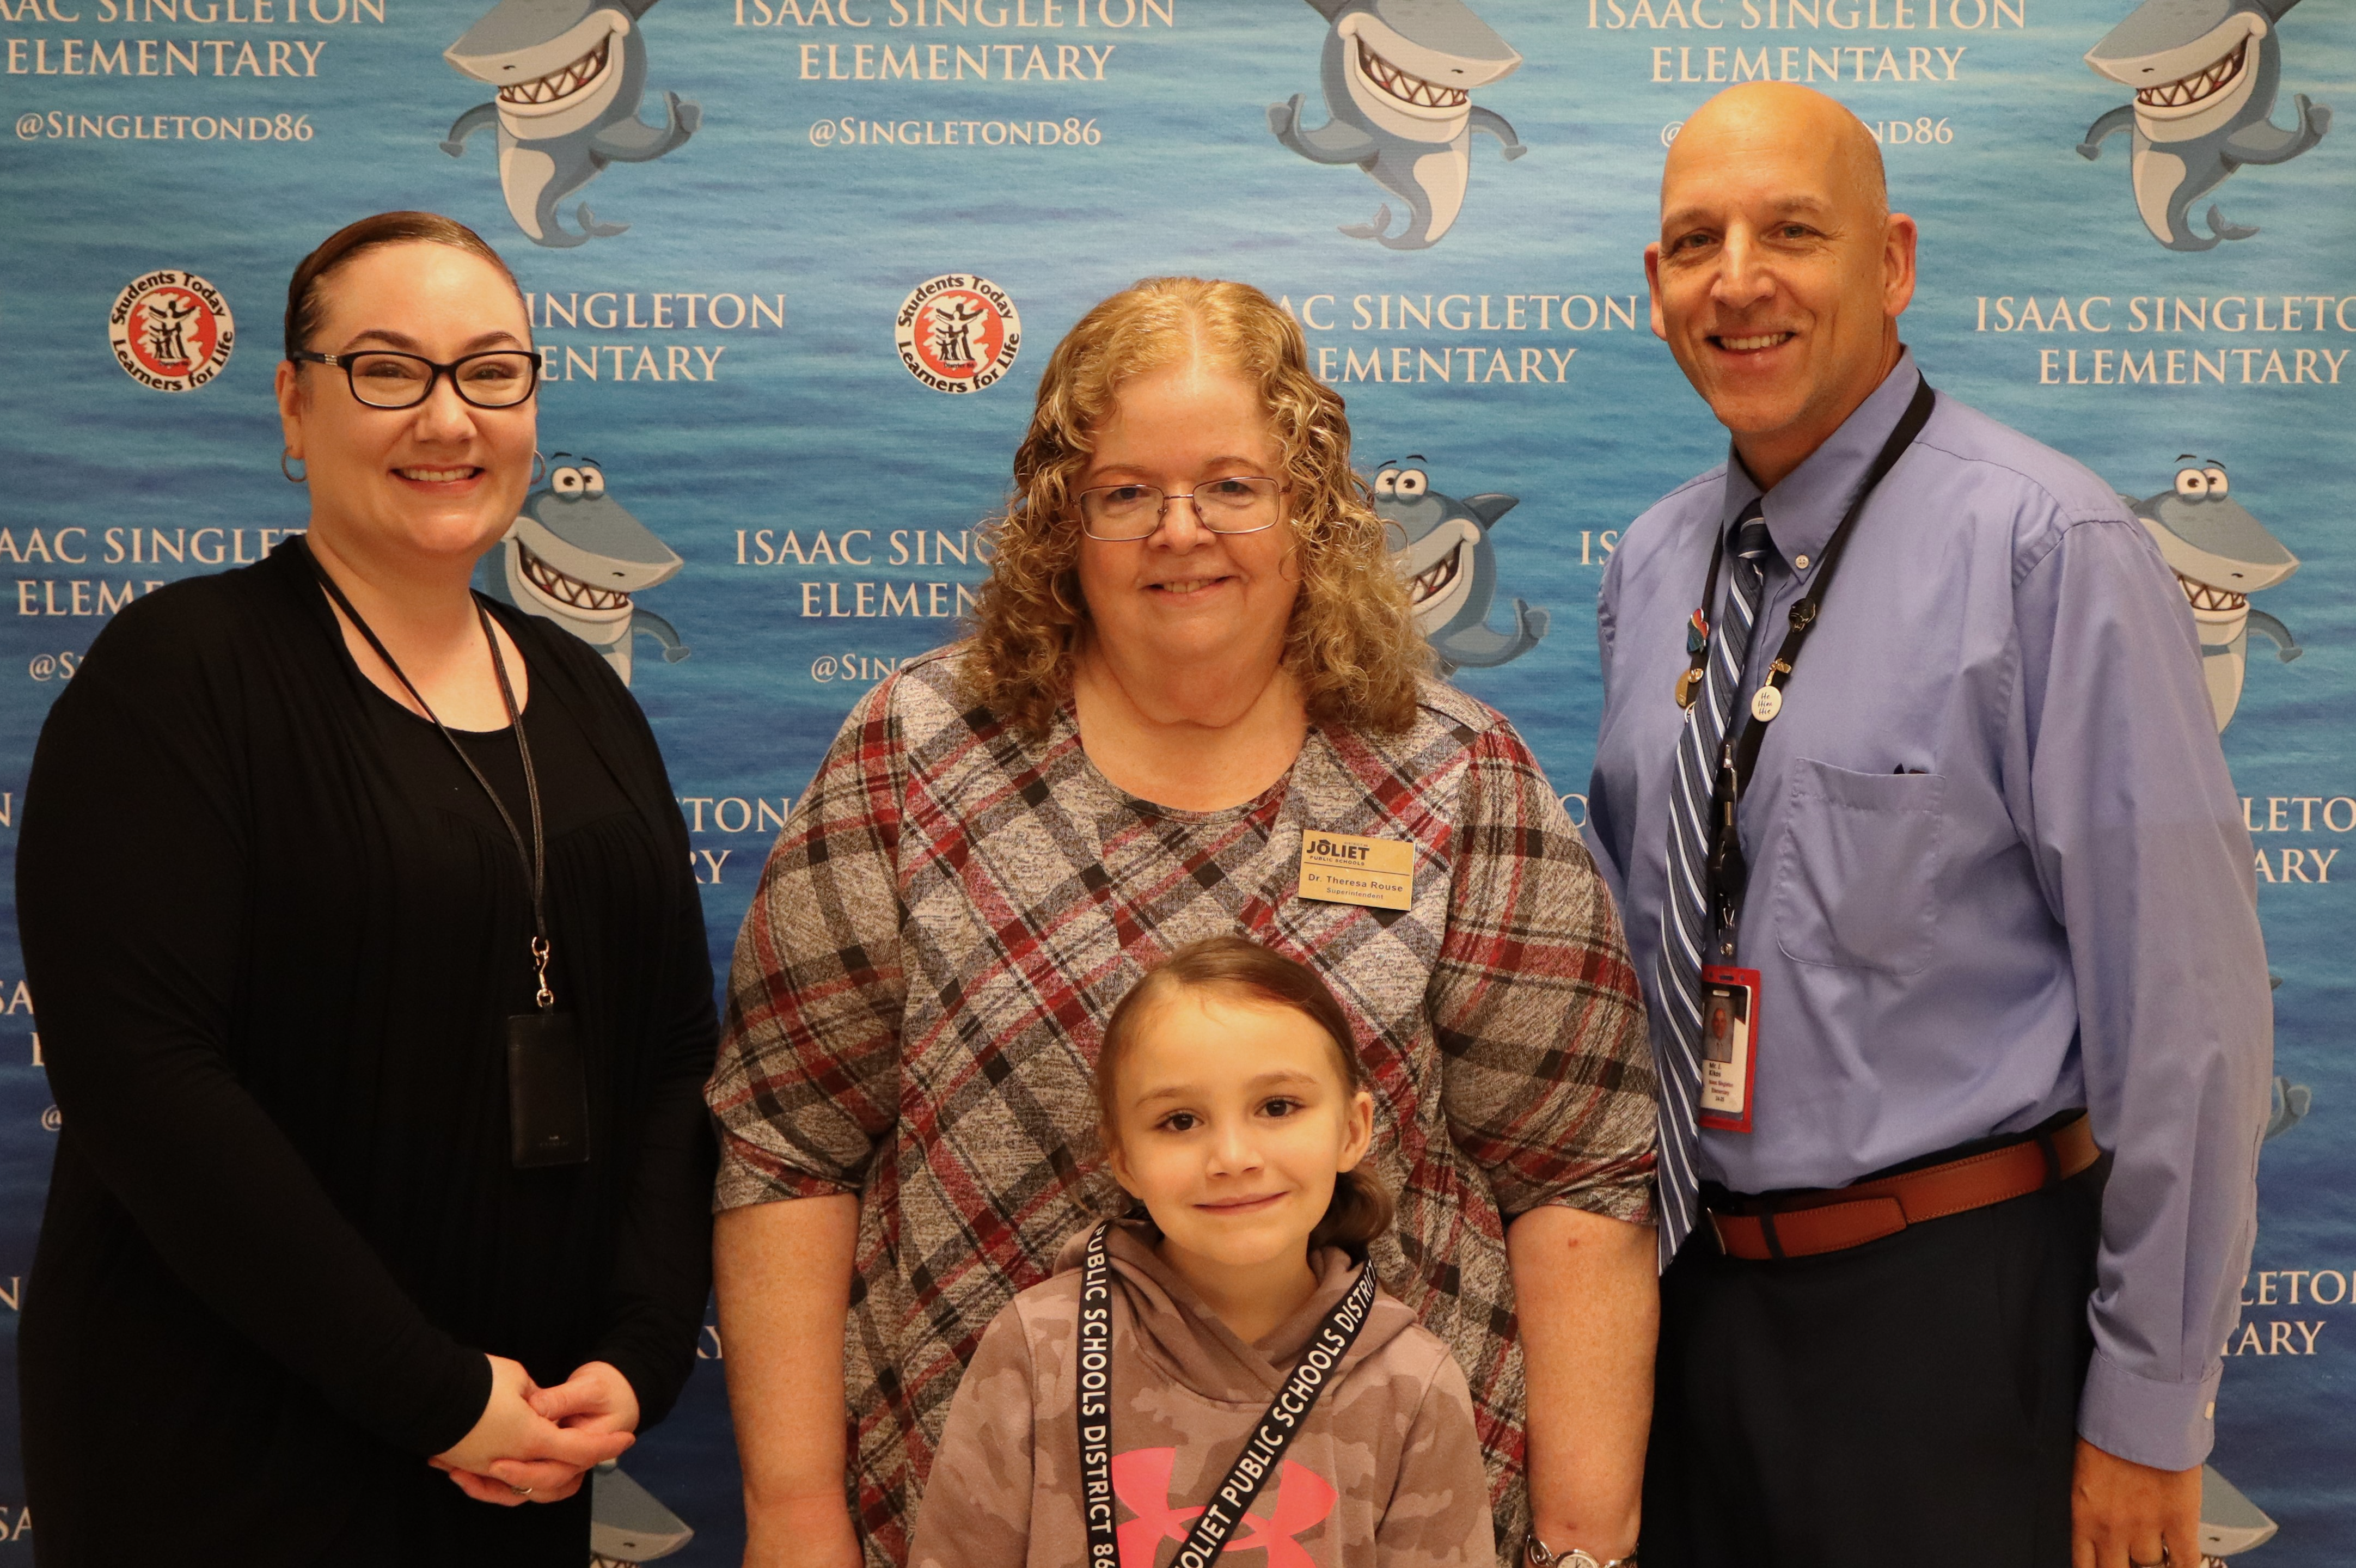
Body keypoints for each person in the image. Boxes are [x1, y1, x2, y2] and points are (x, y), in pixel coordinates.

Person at [710, 276, 1659, 1568]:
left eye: (1231, 485)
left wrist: (1581, 1544)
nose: (1180, 531)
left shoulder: (1452, 778)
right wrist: (794, 1518)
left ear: (1308, 511)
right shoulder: (917, 757)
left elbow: (1575, 1174)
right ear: (1060, 523)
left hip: (1381, 1526)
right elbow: (787, 1144)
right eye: (1123, 494)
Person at [1579, 83, 2272, 1568]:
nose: (1739, 279)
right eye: (1696, 240)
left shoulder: (2049, 548)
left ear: (1892, 264)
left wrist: (2150, 1409)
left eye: (1793, 232)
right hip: (1686, 1304)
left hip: (1954, 1322)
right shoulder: (1649, 567)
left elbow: (2188, 1021)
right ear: (1655, 288)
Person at [15, 211, 720, 1565]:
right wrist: (433, 1394)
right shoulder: (179, 675)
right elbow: (143, 1078)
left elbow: (673, 1056)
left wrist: (635, 1355)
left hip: (521, 1450)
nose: (448, 418)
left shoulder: (581, 695)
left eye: (491, 370)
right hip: (228, 1450)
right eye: (387, 369)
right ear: (293, 403)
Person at [911, 935, 1496, 1568]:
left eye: (1278, 1106)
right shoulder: (1037, 1345)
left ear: (1352, 1131)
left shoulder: (1415, 1384)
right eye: (1180, 1121)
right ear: (1124, 1159)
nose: (1233, 1159)